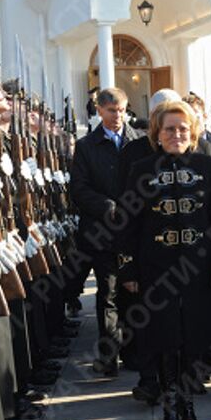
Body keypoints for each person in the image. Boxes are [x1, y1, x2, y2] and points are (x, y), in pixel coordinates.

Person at [117, 101, 211, 420]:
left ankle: (187, 398)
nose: (177, 134)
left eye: (183, 128)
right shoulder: (141, 168)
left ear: (193, 132)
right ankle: (171, 404)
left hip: (199, 267)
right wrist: (127, 269)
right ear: (157, 133)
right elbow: (127, 222)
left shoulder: (207, 165)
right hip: (156, 266)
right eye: (170, 128)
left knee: (193, 335)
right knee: (165, 336)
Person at [70, 87, 138, 376]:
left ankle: (135, 355)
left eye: (122, 110)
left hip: (134, 231)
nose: (117, 116)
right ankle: (109, 355)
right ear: (99, 111)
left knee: (133, 291)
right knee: (108, 293)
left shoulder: (138, 141)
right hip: (103, 231)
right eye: (111, 111)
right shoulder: (87, 146)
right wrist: (107, 206)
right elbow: (79, 189)